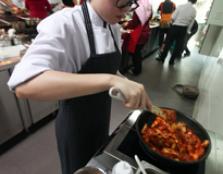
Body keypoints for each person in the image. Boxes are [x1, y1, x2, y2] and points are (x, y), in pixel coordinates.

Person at [7, 0, 152, 174]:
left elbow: (109, 71)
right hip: (75, 127)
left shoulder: (112, 25)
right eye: (121, 1)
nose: (127, 9)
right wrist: (110, 80)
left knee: (97, 165)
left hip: (101, 118)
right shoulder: (66, 23)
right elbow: (24, 83)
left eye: (131, 2)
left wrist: (125, 82)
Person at [156, 0, 197, 65]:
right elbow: (191, 23)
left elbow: (173, 17)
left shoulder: (180, 6)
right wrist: (187, 31)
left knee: (168, 43)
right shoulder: (194, 11)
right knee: (178, 46)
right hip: (183, 29)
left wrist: (172, 23)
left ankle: (162, 58)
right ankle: (171, 61)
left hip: (174, 27)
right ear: (195, 2)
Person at [122, 0, 152, 76]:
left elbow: (134, 23)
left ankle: (137, 70)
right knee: (137, 52)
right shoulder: (148, 6)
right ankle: (138, 68)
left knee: (135, 53)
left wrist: (126, 25)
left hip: (139, 34)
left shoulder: (139, 9)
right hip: (145, 32)